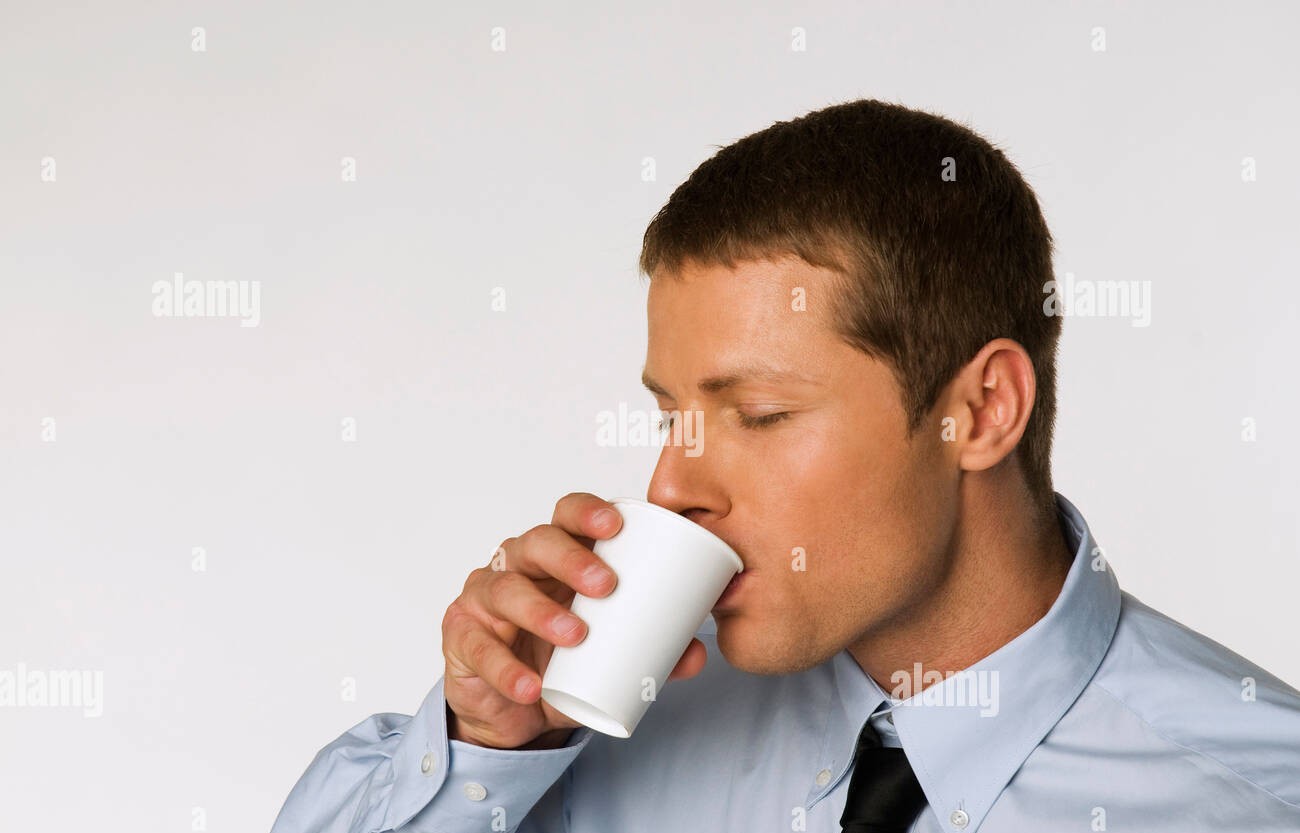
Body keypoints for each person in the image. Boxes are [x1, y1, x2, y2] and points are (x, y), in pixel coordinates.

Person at [270, 99, 1300, 833]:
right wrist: (486, 748)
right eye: (672, 414)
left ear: (982, 410)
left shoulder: (1256, 796)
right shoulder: (578, 734)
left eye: (759, 415)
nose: (670, 489)